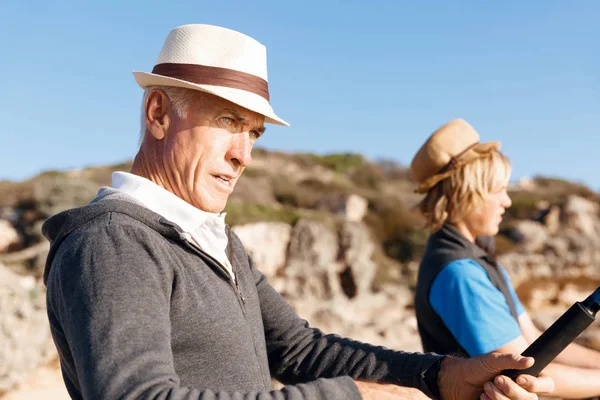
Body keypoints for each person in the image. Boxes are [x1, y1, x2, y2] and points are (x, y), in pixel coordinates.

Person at [43, 24, 553, 400]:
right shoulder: (113, 243)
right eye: (227, 120)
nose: (243, 154)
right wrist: (351, 397)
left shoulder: (214, 241)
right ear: (158, 113)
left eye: (253, 133)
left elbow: (302, 351)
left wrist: (439, 376)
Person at [411, 119, 600, 399]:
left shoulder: (478, 257)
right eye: (499, 190)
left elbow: (535, 341)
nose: (507, 201)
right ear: (468, 193)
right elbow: (522, 370)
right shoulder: (459, 273)